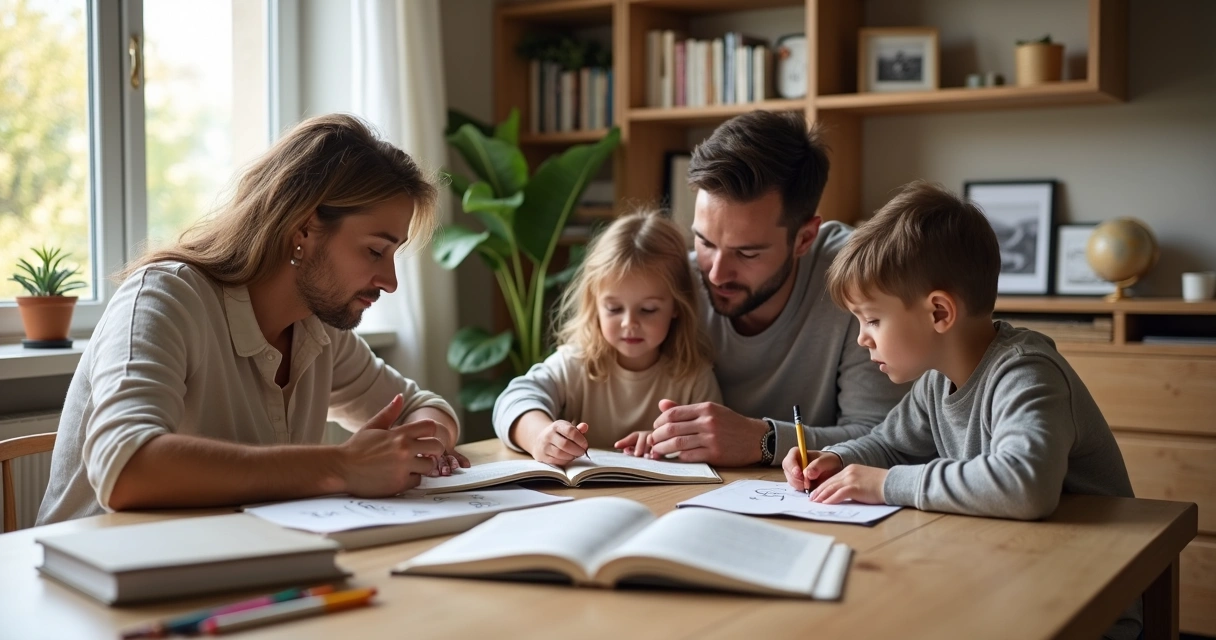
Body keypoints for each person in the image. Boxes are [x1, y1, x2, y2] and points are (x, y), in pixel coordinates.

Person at [37, 114, 468, 525]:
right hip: (94, 582)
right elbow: (126, 467)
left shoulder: (316, 328)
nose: (390, 281)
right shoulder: (165, 298)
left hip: (227, 564)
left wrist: (418, 445)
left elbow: (422, 406)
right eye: (375, 251)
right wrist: (343, 465)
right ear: (302, 229)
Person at [781, 180, 1140, 639]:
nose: (861, 338)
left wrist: (885, 484)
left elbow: (1024, 486)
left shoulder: (1026, 373)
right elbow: (889, 444)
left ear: (938, 313)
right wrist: (843, 459)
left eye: (872, 319)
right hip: (1011, 574)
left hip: (1084, 605)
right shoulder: (936, 380)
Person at [645, 110, 909, 466]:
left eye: (747, 252)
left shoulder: (859, 280)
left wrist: (765, 441)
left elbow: (887, 437)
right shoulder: (674, 280)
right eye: (704, 242)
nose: (716, 273)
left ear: (804, 238)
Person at [492, 211, 722, 466]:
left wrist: (666, 444)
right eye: (613, 309)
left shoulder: (694, 377)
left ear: (678, 306)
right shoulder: (575, 363)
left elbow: (712, 444)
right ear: (595, 305)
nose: (629, 323)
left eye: (648, 309)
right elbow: (512, 400)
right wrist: (539, 436)